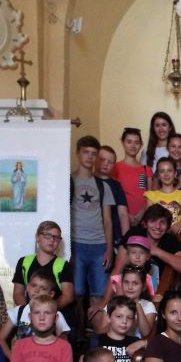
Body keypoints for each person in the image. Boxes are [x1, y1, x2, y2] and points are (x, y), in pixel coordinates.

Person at [71, 135, 115, 316]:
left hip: (98, 245)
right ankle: (79, 331)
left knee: (99, 294)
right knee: (76, 293)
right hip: (75, 244)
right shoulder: (68, 182)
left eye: (93, 153)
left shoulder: (102, 186)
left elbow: (107, 220)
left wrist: (109, 248)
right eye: (86, 152)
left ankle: (98, 330)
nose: (89, 157)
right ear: (77, 153)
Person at [119, 205, 181, 301]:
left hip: (155, 296)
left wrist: (157, 251)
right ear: (145, 223)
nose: (158, 226)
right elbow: (117, 270)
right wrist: (105, 301)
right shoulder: (135, 234)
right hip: (128, 293)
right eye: (153, 221)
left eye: (162, 222)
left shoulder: (170, 240)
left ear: (167, 227)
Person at [75, 295, 147, 362]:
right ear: (108, 317)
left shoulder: (136, 342)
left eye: (129, 318)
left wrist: (144, 342)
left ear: (134, 320)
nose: (124, 321)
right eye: (119, 316)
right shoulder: (95, 342)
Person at [89, 237, 157, 334]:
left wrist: (138, 305)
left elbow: (146, 333)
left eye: (135, 283)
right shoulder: (111, 305)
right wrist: (117, 318)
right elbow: (102, 333)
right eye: (126, 282)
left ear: (143, 287)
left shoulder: (148, 306)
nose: (130, 287)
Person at [0, 270, 71, 359]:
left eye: (43, 288)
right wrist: (13, 358)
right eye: (34, 285)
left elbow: (64, 345)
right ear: (27, 287)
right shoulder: (18, 311)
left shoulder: (56, 315)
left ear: (51, 294)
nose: (37, 290)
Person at [12, 220, 75, 315]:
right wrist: (28, 313)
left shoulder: (63, 265)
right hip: (30, 314)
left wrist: (46, 312)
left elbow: (68, 296)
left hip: (56, 315)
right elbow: (18, 293)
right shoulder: (24, 262)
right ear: (37, 237)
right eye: (47, 235)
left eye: (56, 237)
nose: (52, 240)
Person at [145, 157, 181, 238]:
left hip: (175, 236)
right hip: (157, 234)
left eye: (169, 170)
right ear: (158, 175)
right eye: (162, 171)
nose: (166, 174)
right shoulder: (151, 196)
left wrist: (180, 224)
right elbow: (148, 219)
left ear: (175, 174)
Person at [113, 127, 150, 226]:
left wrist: (140, 215)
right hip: (122, 219)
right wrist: (126, 215)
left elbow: (150, 195)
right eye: (129, 142)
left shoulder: (146, 169)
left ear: (141, 144)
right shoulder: (115, 167)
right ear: (122, 142)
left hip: (143, 219)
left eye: (136, 143)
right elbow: (112, 195)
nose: (133, 146)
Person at [96, 145, 131, 246]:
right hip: (93, 233)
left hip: (114, 234)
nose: (106, 164)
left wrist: (126, 241)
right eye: (102, 159)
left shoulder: (116, 185)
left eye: (110, 162)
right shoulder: (88, 182)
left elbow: (123, 214)